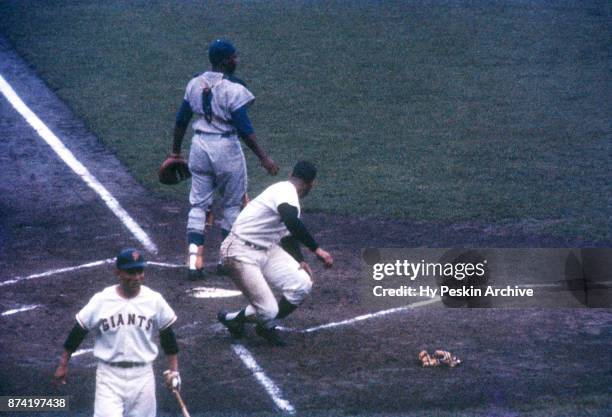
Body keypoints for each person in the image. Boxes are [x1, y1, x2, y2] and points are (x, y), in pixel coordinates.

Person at [171, 38, 279, 280]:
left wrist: (176, 152)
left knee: (198, 205)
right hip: (226, 149)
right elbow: (244, 129)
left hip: (199, 146)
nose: (236, 60)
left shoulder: (194, 84)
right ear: (225, 60)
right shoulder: (233, 88)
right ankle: (224, 261)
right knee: (232, 205)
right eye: (234, 57)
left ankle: (193, 263)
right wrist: (264, 158)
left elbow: (180, 122)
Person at [217, 161, 333, 346]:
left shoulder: (287, 196)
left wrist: (300, 260)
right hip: (238, 252)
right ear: (311, 184)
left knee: (301, 283)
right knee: (268, 310)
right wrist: (316, 249)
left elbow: (288, 235)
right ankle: (231, 319)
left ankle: (264, 326)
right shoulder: (285, 192)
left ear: (291, 175)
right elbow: (291, 221)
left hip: (266, 249)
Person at [53, 248, 181, 417]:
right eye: (130, 272)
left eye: (139, 271)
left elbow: (168, 337)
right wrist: (63, 364)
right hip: (109, 377)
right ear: (118, 273)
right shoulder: (101, 300)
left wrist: (174, 371)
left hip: (143, 377)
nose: (136, 277)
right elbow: (79, 331)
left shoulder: (154, 300)